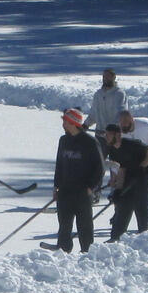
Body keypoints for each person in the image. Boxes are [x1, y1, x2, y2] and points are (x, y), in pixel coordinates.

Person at [43, 108, 105, 253]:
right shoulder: (63, 140)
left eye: (65, 120)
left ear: (72, 122)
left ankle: (87, 253)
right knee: (64, 225)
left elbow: (100, 168)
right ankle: (64, 251)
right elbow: (59, 165)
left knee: (84, 226)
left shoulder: (90, 142)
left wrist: (91, 187)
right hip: (65, 190)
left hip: (82, 191)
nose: (63, 123)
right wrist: (56, 186)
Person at [102, 120, 148, 242]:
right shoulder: (112, 150)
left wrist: (142, 167)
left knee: (142, 207)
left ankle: (146, 239)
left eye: (108, 134)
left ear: (117, 135)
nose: (106, 137)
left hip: (143, 178)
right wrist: (118, 189)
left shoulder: (132, 144)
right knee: (123, 205)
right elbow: (121, 169)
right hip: (129, 177)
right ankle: (115, 238)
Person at [85, 69, 127, 142]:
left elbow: (122, 114)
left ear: (114, 77)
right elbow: (94, 113)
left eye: (108, 76)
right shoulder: (98, 94)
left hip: (114, 136)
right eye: (104, 77)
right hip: (99, 135)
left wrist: (113, 128)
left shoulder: (119, 94)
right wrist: (86, 124)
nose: (105, 79)